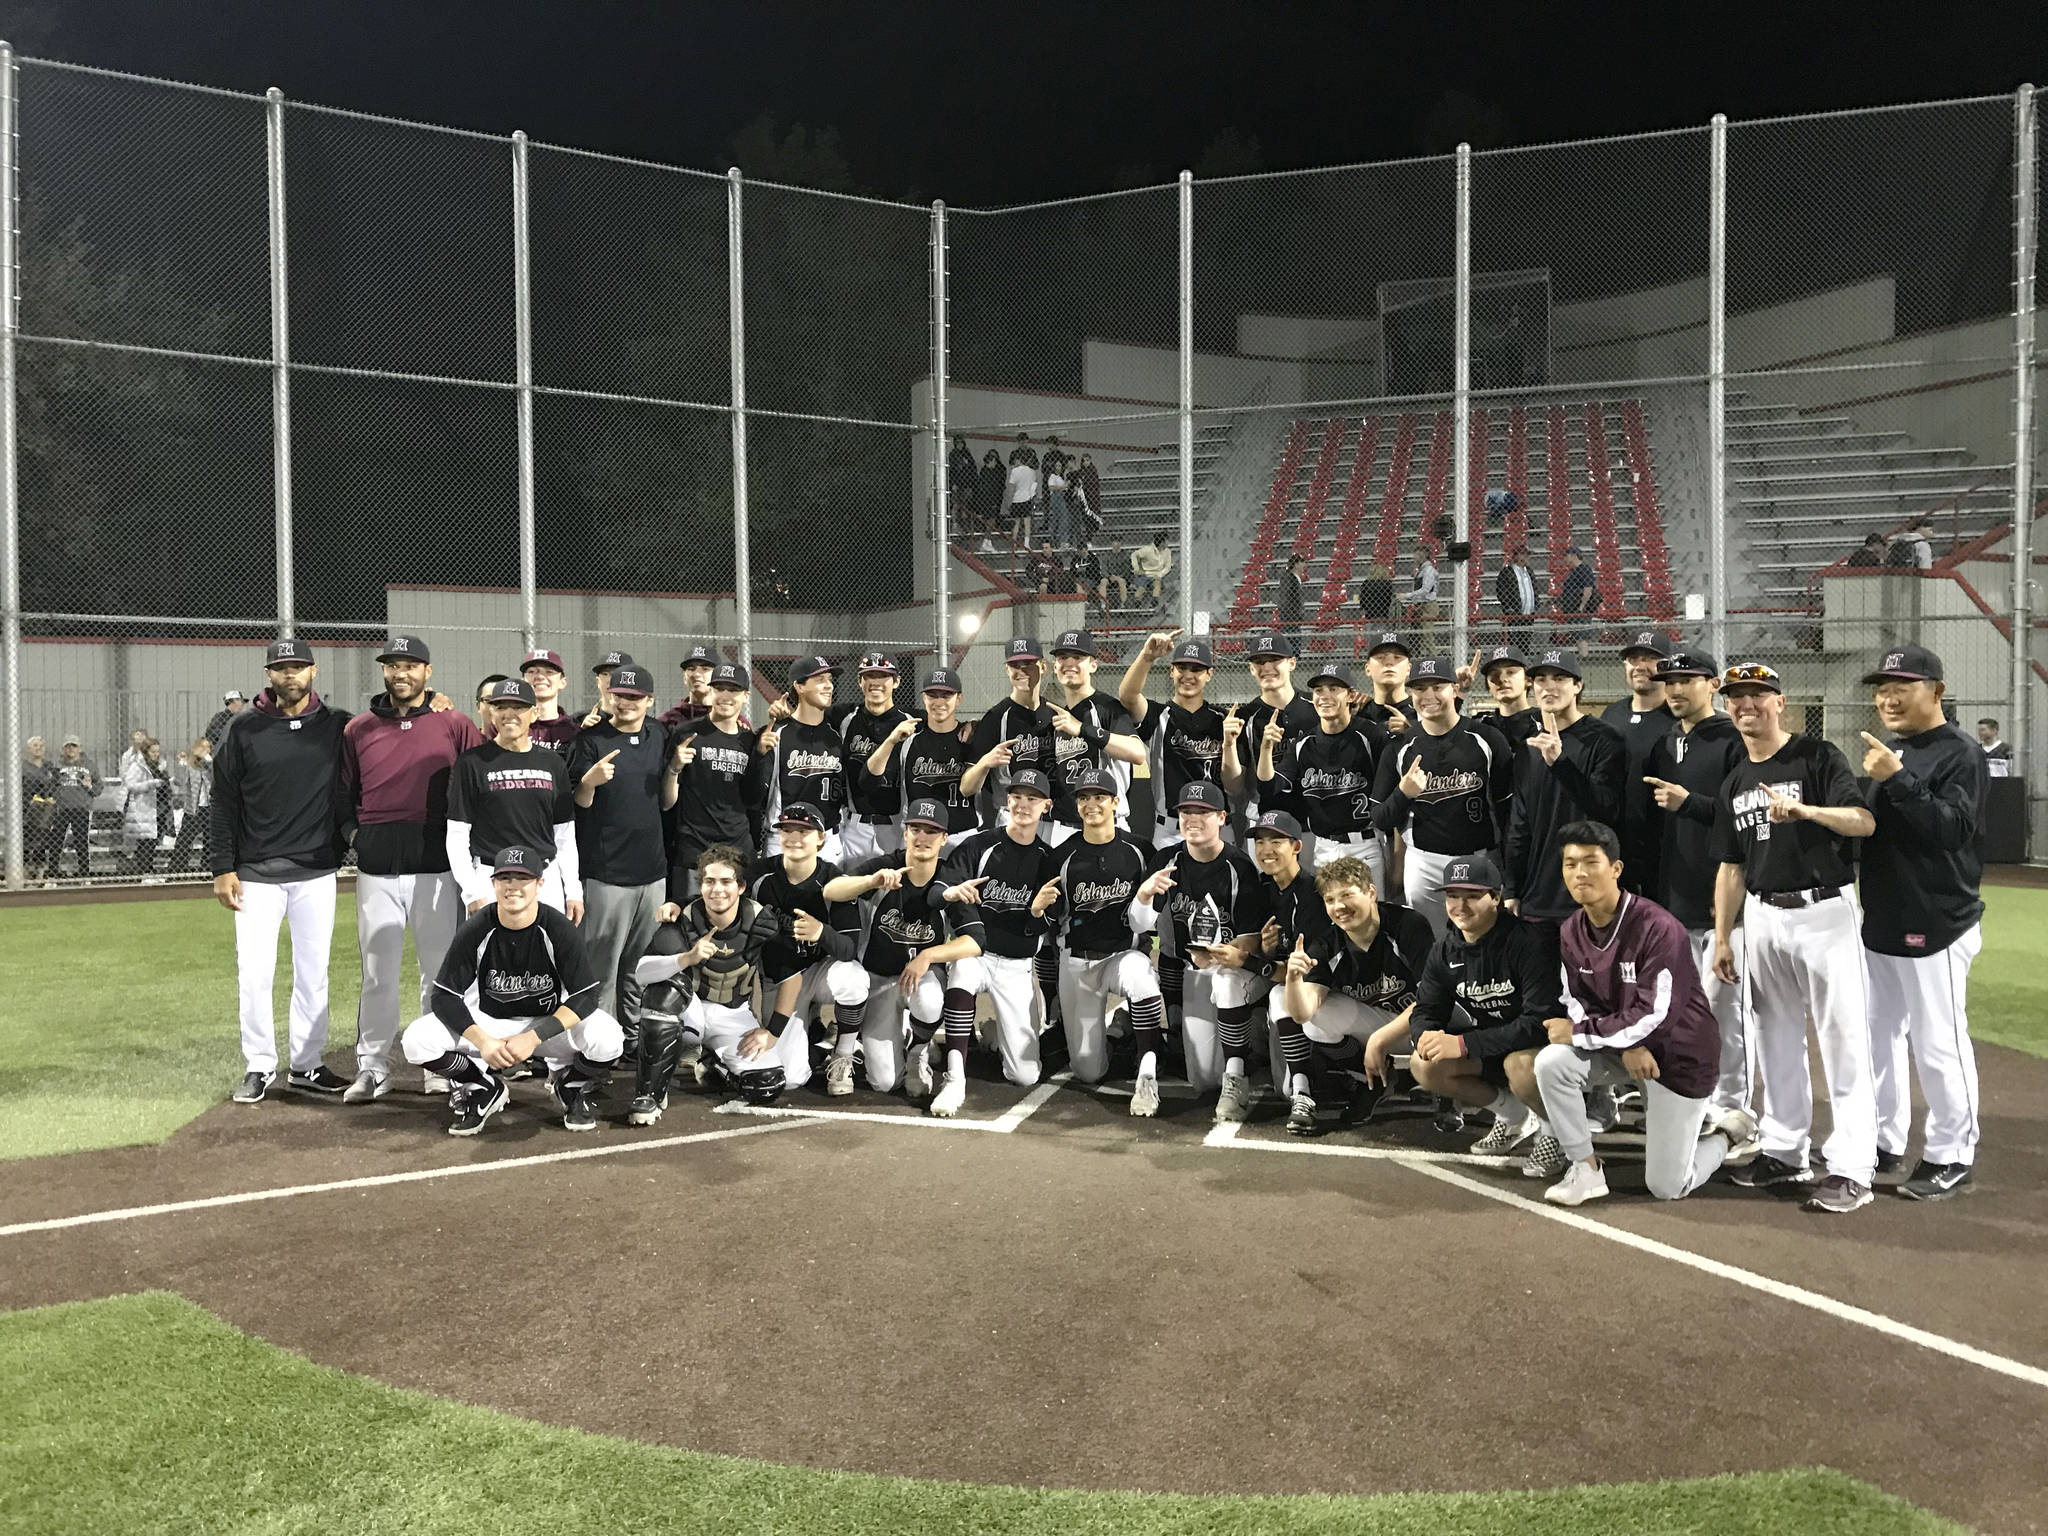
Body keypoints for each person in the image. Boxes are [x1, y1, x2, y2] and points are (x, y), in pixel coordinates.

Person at [1710, 661, 1879, 1215]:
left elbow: (1862, 821)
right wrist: (1723, 937)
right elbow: (1731, 866)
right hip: (1762, 916)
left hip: (1823, 912)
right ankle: (1786, 1150)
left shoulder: (1816, 756)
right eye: (1737, 697)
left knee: (1844, 1039)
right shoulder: (1734, 780)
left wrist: (1806, 810)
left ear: (1780, 702)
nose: (1747, 705)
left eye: (1758, 695)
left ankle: (1853, 1167)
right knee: (1773, 1038)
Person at [1536, 821, 1754, 1206]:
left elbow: (1657, 1014)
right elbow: (1576, 1001)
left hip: (1680, 1057)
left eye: (1590, 862)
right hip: (1629, 1050)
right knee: (1552, 1063)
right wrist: (1622, 1048)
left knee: (1668, 1186)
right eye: (1570, 864)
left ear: (1616, 869)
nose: (1580, 873)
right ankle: (1586, 1170)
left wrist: (1583, 1034)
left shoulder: (1658, 928)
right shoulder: (1571, 930)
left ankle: (1727, 1134)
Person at [1858, 644, 1987, 1200]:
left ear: (1935, 691)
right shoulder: (1889, 749)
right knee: (1876, 1040)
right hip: (1882, 918)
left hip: (1936, 920)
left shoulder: (1959, 752)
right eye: (1882, 688)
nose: (1887, 697)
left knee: (1939, 1042)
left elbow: (1952, 829)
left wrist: (1897, 778)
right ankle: (1883, 1140)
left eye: (1900, 686)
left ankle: (1951, 1152)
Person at [338, 634, 484, 1103]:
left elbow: (480, 781)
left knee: (437, 972)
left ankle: (436, 1063)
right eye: (393, 666)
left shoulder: (454, 723)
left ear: (428, 672)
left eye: (411, 665)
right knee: (378, 972)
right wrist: (355, 836)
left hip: (436, 867)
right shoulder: (358, 728)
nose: (401, 673)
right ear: (383, 671)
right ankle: (373, 1067)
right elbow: (343, 793)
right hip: (377, 869)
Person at [211, 638, 352, 1104]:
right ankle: (258, 1065)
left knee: (313, 973)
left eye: (298, 667)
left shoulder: (337, 726)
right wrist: (222, 867)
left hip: (316, 869)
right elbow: (224, 802)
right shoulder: (243, 728)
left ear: (314, 672)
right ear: (268, 674)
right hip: (254, 872)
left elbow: (388, 723)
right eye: (281, 668)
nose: (289, 675)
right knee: (254, 973)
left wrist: (435, 703)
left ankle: (308, 1064)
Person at [399, 844, 623, 1135]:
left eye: (523, 878)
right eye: (505, 878)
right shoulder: (477, 927)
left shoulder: (557, 928)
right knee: (416, 1040)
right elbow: (444, 996)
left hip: (545, 1025)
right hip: (491, 1023)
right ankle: (482, 1086)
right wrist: (482, 1042)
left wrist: (533, 1037)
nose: (513, 887)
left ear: (539, 884)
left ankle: (570, 1086)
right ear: (493, 883)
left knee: (609, 1039)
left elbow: (586, 996)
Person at [1357, 852, 1560, 1169]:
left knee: (1519, 1066)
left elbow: (1538, 1023)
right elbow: (1426, 1008)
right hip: (1490, 1045)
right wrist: (1424, 1035)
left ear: (1496, 897)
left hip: (1536, 1050)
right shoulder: (1446, 949)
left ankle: (1554, 1132)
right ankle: (1513, 1116)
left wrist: (1463, 1045)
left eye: (1472, 896)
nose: (1460, 906)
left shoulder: (1528, 943)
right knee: (1424, 1064)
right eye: (1452, 896)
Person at [1640, 648, 1752, 1136]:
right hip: (1676, 896)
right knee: (1679, 1008)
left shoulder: (1732, 739)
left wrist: (1691, 804)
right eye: (1670, 681)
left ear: (1711, 684)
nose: (1676, 689)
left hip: (1721, 898)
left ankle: (1734, 1105)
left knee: (1726, 1009)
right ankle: (1695, 1099)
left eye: (1687, 679)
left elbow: (1744, 815)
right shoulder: (1667, 742)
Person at [820, 799, 987, 1097]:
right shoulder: (886, 865)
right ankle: (902, 1039)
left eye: (931, 831)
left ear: (944, 838)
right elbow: (831, 890)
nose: (922, 837)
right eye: (916, 829)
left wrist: (928, 955)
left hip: (921, 978)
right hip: (879, 980)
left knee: (932, 999)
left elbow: (975, 941)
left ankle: (918, 1050)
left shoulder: (948, 879)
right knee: (884, 1083)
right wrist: (869, 882)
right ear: (905, 831)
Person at [1129, 782, 1271, 1117]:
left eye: (1203, 812)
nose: (1192, 818)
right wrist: (1145, 894)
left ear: (1222, 817)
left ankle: (1241, 1063)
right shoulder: (1167, 860)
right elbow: (1138, 924)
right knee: (1203, 1080)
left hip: (1233, 969)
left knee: (1227, 983)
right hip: (1193, 972)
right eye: (1186, 812)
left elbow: (1252, 940)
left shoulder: (1239, 867)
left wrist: (1222, 954)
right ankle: (1239, 1041)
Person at [627, 843, 791, 1124]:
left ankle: (714, 1064)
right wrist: (686, 958)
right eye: (709, 882)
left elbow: (791, 976)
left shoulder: (761, 920)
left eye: (726, 881)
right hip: (689, 1012)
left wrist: (772, 1031)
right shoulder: (683, 919)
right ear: (700, 885)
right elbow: (642, 973)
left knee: (766, 1084)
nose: (717, 889)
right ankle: (649, 1094)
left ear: (740, 886)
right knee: (663, 992)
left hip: (733, 1012)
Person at [1279, 854, 1435, 1136]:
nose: (1339, 907)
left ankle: (1452, 1097)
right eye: (1330, 900)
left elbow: (1432, 1001)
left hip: (1426, 1024)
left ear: (1371, 893)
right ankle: (1373, 1081)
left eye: (1347, 895)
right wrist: (1292, 978)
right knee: (1316, 1019)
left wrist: (1378, 1041)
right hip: (1387, 1024)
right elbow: (1303, 1014)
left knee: (1441, 1037)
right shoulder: (1326, 944)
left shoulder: (1408, 925)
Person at [937, 770, 1063, 1110]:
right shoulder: (979, 845)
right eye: (1017, 796)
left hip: (1017, 967)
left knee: (1025, 1076)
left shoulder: (1049, 860)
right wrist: (955, 900)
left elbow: (1052, 922)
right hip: (977, 954)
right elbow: (945, 890)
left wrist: (1036, 914)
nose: (1022, 804)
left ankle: (993, 1034)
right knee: (962, 971)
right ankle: (955, 1077)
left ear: (1046, 806)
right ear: (1007, 800)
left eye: (1032, 798)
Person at [565, 663, 673, 1048]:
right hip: (607, 872)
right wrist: (588, 782)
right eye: (619, 695)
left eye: (634, 697)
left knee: (638, 967)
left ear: (649, 701)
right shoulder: (589, 739)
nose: (625, 702)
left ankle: (630, 1037)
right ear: (608, 696)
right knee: (601, 970)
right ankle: (598, 1045)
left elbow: (665, 799)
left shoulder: (659, 734)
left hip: (652, 871)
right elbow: (578, 803)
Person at [1039, 768, 1165, 1089]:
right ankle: (1117, 1030)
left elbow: (1150, 911)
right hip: (1078, 963)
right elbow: (1051, 924)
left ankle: (1147, 1063)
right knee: (1088, 1072)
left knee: (1142, 976)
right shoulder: (1061, 857)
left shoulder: (1139, 851)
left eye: (1099, 797)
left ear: (1115, 802)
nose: (1090, 804)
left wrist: (1144, 940)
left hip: (1122, 956)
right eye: (1083, 797)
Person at [1372, 656, 1513, 937]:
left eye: (1437, 686)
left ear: (1454, 689)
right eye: (1420, 689)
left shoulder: (1486, 739)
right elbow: (1379, 818)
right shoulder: (1400, 748)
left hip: (1479, 859)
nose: (1428, 696)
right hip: (1424, 863)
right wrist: (1403, 793)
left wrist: (1509, 873)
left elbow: (1507, 811)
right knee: (1432, 945)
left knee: (1485, 942)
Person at [1502, 648, 1625, 943]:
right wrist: (1513, 889)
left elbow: (1606, 810)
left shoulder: (1605, 740)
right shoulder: (1528, 746)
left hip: (1589, 895)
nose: (1549, 686)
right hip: (1538, 896)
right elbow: (1520, 824)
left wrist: (1561, 764)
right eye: (1541, 679)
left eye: (1560, 678)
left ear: (1578, 686)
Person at [749, 802, 860, 1097]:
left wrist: (821, 932)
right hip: (781, 979)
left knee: (854, 979)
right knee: (791, 1077)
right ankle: (816, 1038)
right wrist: (677, 905)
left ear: (821, 838)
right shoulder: (760, 875)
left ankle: (843, 1051)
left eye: (804, 831)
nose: (794, 838)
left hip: (819, 972)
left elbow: (849, 949)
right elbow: (719, 897)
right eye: (787, 830)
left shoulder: (834, 879)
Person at [447, 678, 581, 917]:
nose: (509, 714)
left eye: (518, 707)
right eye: (500, 707)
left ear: (534, 712)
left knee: (546, 953)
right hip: (491, 878)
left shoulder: (552, 762)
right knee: (491, 954)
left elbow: (564, 835)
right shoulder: (471, 763)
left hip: (544, 880)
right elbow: (457, 835)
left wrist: (573, 890)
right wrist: (472, 892)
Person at [1259, 662, 1390, 884]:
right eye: (1319, 690)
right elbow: (1270, 786)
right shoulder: (1303, 743)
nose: (1325, 696)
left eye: (1334, 689)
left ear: (1350, 695)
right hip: (1323, 847)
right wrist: (1265, 749)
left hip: (1365, 845)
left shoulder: (1371, 735)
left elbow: (1389, 792)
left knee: (1371, 915)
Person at [667, 662, 772, 896]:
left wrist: (760, 757)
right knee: (689, 925)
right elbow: (666, 802)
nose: (725, 696)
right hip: (694, 851)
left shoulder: (751, 742)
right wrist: (673, 767)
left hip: (737, 850)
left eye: (733, 690)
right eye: (719, 688)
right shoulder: (686, 733)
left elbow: (753, 800)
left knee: (735, 927)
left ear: (745, 695)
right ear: (711, 691)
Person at [1120, 632, 1229, 850]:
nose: (1188, 675)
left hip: (1218, 826)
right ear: (1171, 671)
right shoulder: (1158, 715)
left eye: (1197, 669)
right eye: (1182, 668)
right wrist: (1147, 656)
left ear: (1209, 674)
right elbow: (1128, 696)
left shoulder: (1224, 719)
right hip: (1170, 829)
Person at [1601, 630, 1678, 898]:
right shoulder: (1611, 715)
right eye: (1633, 659)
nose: (1639, 666)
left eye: (1650, 658)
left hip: (1667, 848)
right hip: (1618, 845)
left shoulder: (1679, 718)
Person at [757, 655, 850, 861]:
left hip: (828, 839)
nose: (828, 686)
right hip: (785, 839)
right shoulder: (777, 734)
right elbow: (756, 794)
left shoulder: (837, 734)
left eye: (830, 680)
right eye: (820, 680)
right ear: (799, 686)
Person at [1222, 631, 1318, 828]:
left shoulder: (1317, 706)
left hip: (1315, 819)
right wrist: (1228, 745)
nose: (1266, 667)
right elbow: (1234, 787)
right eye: (1259, 661)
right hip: (1264, 820)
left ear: (1292, 663)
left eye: (1274, 659)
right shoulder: (1244, 717)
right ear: (1251, 669)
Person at [868, 667, 979, 836]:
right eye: (932, 695)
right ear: (924, 698)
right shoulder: (909, 740)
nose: (939, 701)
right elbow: (869, 779)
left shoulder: (973, 737)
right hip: (919, 833)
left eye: (946, 695)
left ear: (959, 699)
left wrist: (977, 723)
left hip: (963, 833)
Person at [831, 651, 913, 865]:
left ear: (896, 682)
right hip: (855, 826)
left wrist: (970, 725)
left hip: (896, 825)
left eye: (883, 676)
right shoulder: (845, 720)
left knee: (892, 894)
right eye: (869, 676)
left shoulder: (911, 723)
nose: (875, 682)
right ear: (860, 681)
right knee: (853, 891)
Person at [119, 731, 169, 875]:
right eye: (153, 751)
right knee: (145, 840)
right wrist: (150, 784)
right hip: (143, 806)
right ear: (146, 751)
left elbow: (165, 781)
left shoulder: (160, 765)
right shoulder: (137, 766)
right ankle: (144, 868)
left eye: (158, 752)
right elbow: (130, 784)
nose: (156, 754)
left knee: (154, 839)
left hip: (158, 805)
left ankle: (148, 866)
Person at [50, 735, 97, 878]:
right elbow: (50, 786)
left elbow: (98, 787)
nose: (71, 749)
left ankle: (84, 874)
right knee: (56, 841)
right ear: (63, 749)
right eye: (68, 746)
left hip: (80, 808)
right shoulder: (57, 766)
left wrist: (90, 787)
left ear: (79, 748)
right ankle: (52, 873)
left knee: (81, 842)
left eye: (74, 746)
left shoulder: (89, 766)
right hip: (61, 808)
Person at [519, 648, 580, 750]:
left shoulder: (573, 731)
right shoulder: (514, 727)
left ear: (562, 682)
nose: (540, 677)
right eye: (532, 671)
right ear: (523, 681)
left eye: (549, 672)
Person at [167, 737, 214, 873]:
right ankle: (177, 868)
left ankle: (206, 868)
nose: (206, 751)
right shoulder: (190, 766)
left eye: (208, 748)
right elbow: (179, 781)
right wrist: (181, 763)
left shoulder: (211, 767)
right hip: (193, 809)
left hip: (210, 808)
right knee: (184, 839)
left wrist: (209, 761)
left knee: (210, 840)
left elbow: (220, 777)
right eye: (203, 748)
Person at [1359, 631, 1417, 732]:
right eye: (1380, 657)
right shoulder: (1358, 714)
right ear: (1368, 669)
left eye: (1397, 657)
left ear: (1409, 668)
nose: (1389, 663)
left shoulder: (1422, 711)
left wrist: (1411, 733)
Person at [658, 641, 722, 731]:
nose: (697, 674)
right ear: (684, 677)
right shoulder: (668, 721)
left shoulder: (729, 718)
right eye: (691, 669)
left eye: (705, 669)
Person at [22, 736, 58, 880]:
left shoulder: (49, 767)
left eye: (41, 746)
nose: (39, 748)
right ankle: (24, 869)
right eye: (35, 745)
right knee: (25, 839)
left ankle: (40, 869)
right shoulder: (22, 767)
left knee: (42, 838)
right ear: (29, 749)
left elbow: (55, 786)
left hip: (45, 810)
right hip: (27, 810)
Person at [1556, 547, 1598, 645]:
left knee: (1581, 638)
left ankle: (1584, 658)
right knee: (1578, 638)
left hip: (1580, 610)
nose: (1564, 559)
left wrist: (1581, 607)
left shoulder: (1584, 569)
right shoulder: (1574, 571)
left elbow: (1588, 589)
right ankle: (1582, 658)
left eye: (1566, 556)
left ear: (1574, 556)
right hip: (1572, 610)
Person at [1005, 438, 1041, 544]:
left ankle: (1014, 542)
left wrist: (1009, 500)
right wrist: (1034, 496)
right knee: (1027, 522)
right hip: (1027, 498)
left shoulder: (1014, 471)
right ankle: (1026, 543)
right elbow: (1033, 486)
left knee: (1016, 522)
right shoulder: (1032, 472)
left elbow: (1011, 488)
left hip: (1016, 498)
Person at [1495, 548, 1537, 635]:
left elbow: (1534, 588)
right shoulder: (1507, 572)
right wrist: (1509, 607)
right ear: (1516, 556)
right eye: (1523, 554)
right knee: (1514, 638)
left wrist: (1536, 603)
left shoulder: (1529, 571)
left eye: (1527, 555)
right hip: (1514, 614)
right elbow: (1501, 591)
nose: (1526, 557)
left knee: (1526, 639)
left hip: (1529, 614)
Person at [1405, 552, 1441, 646]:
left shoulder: (1428, 570)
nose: (1414, 559)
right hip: (1421, 604)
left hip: (1428, 604)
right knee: (1420, 636)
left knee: (1427, 635)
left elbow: (1426, 590)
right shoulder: (1420, 570)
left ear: (1422, 557)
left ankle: (1432, 657)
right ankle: (1425, 656)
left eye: (1416, 556)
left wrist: (1408, 595)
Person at [1274, 553, 1308, 648]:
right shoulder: (1289, 578)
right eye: (1302, 562)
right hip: (1290, 615)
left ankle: (1294, 656)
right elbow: (1286, 597)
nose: (1304, 565)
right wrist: (1291, 613)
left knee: (1294, 639)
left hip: (1292, 614)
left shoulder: (1294, 578)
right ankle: (1293, 657)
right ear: (1296, 564)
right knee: (1292, 639)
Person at [1131, 534, 1172, 610]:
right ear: (1162, 542)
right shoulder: (1148, 550)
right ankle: (1137, 603)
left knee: (1157, 583)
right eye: (1167, 540)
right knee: (1141, 588)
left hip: (1156, 575)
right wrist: (1136, 569)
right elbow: (1134, 555)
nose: (1168, 542)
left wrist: (1160, 574)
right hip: (1144, 574)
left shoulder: (1167, 552)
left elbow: (1167, 567)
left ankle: (1154, 603)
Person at [974, 448, 1007, 538]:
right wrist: (993, 502)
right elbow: (989, 489)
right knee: (991, 520)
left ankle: (987, 539)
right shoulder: (987, 473)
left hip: (989, 499)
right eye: (994, 461)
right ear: (991, 461)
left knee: (991, 519)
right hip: (989, 499)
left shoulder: (987, 471)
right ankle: (987, 539)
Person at [946, 434, 977, 529]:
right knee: (956, 503)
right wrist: (953, 483)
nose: (959, 445)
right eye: (957, 443)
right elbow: (952, 470)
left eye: (961, 443)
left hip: (966, 483)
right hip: (957, 483)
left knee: (966, 503)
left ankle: (965, 524)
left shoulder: (967, 453)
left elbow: (972, 467)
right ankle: (955, 523)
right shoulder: (953, 454)